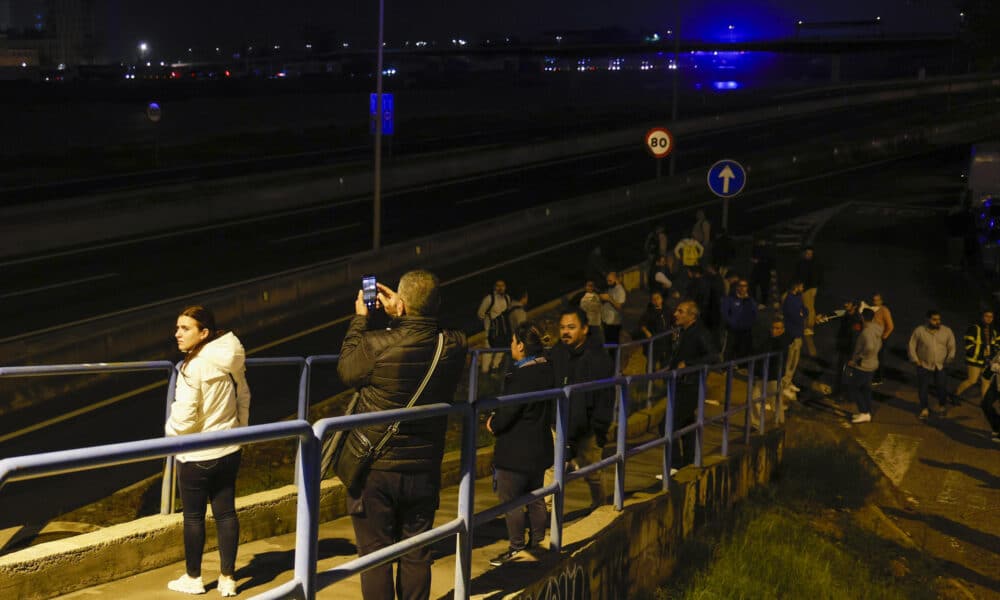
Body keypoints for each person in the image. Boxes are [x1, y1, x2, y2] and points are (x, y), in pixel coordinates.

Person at [337, 270, 467, 600]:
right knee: (416, 551)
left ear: (402, 304)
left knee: (375, 555)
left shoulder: (377, 343)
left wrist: (360, 320)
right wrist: (412, 310)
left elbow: (347, 369)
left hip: (376, 469)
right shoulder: (453, 345)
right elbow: (434, 322)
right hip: (424, 465)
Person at [166, 305, 251, 597]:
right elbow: (243, 396)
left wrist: (170, 431)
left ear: (204, 333)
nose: (177, 334)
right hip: (228, 448)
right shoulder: (230, 358)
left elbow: (185, 418)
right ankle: (227, 579)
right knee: (226, 514)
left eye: (185, 328)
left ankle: (194, 578)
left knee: (193, 518)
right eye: (177, 327)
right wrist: (239, 432)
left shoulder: (194, 366)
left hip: (197, 455)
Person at [486, 322, 554, 566]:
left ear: (522, 346)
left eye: (513, 342)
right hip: (539, 448)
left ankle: (516, 549)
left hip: (516, 452)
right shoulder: (547, 369)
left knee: (512, 500)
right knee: (535, 497)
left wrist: (493, 423)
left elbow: (510, 411)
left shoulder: (521, 375)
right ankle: (538, 545)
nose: (511, 347)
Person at [550, 307, 614, 510]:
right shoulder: (555, 354)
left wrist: (600, 430)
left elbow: (606, 396)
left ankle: (600, 509)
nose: (565, 332)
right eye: (562, 328)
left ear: (584, 329)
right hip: (558, 425)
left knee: (593, 473)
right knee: (551, 472)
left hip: (588, 429)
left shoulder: (598, 358)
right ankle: (543, 522)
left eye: (571, 327)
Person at [664, 301, 719, 470]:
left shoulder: (699, 333)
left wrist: (688, 364)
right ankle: (689, 462)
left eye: (680, 311)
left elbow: (712, 356)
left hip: (691, 385)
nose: (675, 314)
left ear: (691, 316)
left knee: (668, 425)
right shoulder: (684, 332)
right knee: (687, 424)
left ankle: (674, 466)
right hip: (681, 384)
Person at [907, 309, 956, 421]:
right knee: (923, 388)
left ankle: (942, 407)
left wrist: (948, 360)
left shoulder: (946, 331)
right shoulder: (919, 331)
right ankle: (924, 409)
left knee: (941, 387)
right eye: (934, 320)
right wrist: (916, 360)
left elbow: (951, 347)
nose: (937, 322)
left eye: (938, 319)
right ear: (927, 319)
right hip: (924, 365)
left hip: (941, 365)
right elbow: (911, 345)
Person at [954, 310, 999, 403]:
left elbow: (997, 344)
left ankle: (984, 402)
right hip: (975, 360)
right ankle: (956, 394)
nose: (989, 318)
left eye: (991, 317)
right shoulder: (974, 328)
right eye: (987, 316)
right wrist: (982, 352)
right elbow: (968, 345)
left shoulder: (994, 331)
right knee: (972, 380)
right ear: (982, 317)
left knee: (986, 381)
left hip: (987, 361)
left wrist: (993, 353)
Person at [847, 308, 882, 424]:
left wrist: (857, 360)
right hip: (873, 364)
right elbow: (878, 345)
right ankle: (867, 412)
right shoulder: (877, 329)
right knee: (866, 389)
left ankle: (864, 412)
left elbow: (869, 347)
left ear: (863, 318)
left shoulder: (866, 332)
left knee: (854, 387)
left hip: (863, 366)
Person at [477, 280, 511, 372]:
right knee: (488, 351)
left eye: (502, 285)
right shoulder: (489, 299)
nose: (500, 288)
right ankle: (484, 371)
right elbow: (480, 313)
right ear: (494, 287)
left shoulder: (507, 298)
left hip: (502, 330)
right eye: (498, 285)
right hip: (490, 331)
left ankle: (494, 368)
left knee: (501, 349)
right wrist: (488, 323)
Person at [780, 281, 808, 398]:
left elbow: (805, 311)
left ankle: (789, 381)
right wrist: (800, 315)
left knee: (795, 361)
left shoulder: (798, 297)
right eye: (801, 286)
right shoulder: (789, 299)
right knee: (789, 361)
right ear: (796, 286)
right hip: (792, 335)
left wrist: (802, 314)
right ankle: (784, 385)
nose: (803, 288)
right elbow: (794, 316)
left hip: (799, 334)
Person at [721, 279, 758, 362]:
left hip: (746, 330)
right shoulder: (730, 299)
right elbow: (725, 314)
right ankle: (726, 367)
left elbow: (754, 314)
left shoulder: (751, 301)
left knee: (744, 350)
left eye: (744, 286)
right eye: (740, 286)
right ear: (737, 287)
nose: (742, 288)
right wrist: (733, 324)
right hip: (733, 330)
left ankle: (741, 367)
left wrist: (749, 324)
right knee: (730, 349)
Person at [866, 293, 895, 385]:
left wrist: (884, 337)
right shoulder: (872, 309)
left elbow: (890, 326)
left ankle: (877, 379)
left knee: (879, 358)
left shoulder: (884, 310)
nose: (875, 302)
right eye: (874, 300)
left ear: (881, 301)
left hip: (880, 338)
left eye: (877, 300)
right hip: (872, 337)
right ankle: (869, 375)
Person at [639, 291, 671, 368]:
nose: (656, 300)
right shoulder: (648, 313)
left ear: (661, 299)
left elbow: (673, 321)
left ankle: (665, 378)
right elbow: (642, 324)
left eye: (658, 298)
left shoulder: (667, 310)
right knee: (651, 364)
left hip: (666, 341)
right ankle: (650, 379)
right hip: (654, 343)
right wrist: (647, 332)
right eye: (653, 299)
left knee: (665, 363)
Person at [599, 271, 627, 346]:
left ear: (616, 279)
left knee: (613, 345)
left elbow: (620, 307)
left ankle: (614, 357)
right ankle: (610, 356)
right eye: (607, 280)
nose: (608, 283)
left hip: (613, 323)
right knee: (608, 343)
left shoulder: (620, 291)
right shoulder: (611, 288)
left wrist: (609, 298)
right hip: (607, 321)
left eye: (610, 281)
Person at [576, 280, 604, 344]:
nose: (590, 287)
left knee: (598, 343)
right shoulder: (583, 299)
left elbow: (600, 308)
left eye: (592, 286)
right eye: (589, 285)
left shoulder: (597, 296)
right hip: (589, 325)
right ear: (585, 287)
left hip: (597, 325)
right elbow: (582, 311)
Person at [980, 353, 1000, 443]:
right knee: (985, 405)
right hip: (996, 385)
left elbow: (994, 366)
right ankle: (997, 427)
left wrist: (995, 367)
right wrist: (986, 374)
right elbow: (993, 362)